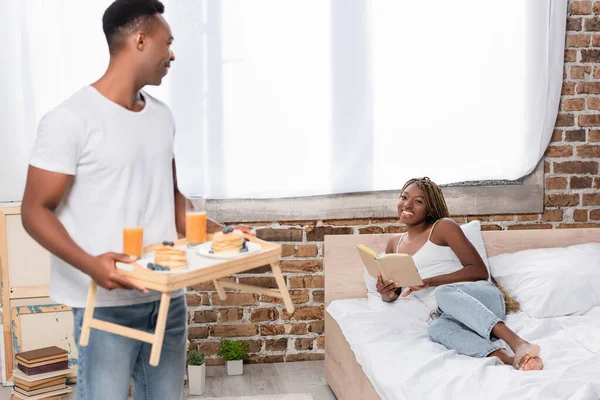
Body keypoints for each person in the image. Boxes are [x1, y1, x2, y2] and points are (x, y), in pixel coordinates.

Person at [20, 1, 251, 398]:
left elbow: (171, 196)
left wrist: (221, 234)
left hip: (166, 297)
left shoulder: (162, 116)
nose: (172, 54)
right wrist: (92, 265)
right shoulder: (70, 120)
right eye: (168, 42)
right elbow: (34, 211)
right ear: (140, 40)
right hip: (106, 302)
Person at [376, 177, 543, 371]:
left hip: (480, 298)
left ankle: (519, 343)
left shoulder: (443, 227)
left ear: (430, 208)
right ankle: (507, 357)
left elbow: (479, 271)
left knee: (443, 293)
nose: (408, 204)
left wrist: (430, 281)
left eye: (418, 201)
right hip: (450, 314)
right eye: (404, 197)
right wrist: (386, 293)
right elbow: (395, 292)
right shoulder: (393, 243)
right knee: (435, 328)